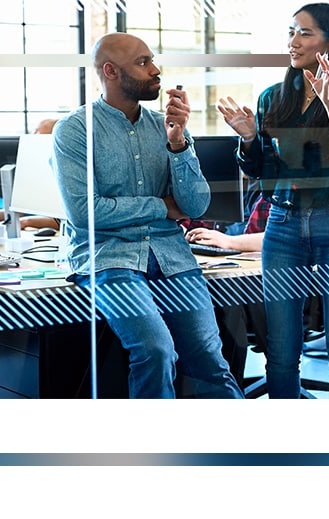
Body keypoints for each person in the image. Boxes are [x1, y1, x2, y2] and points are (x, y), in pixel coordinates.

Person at [51, 32, 243, 399]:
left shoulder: (165, 126)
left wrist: (178, 143)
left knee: (209, 359)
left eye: (152, 60)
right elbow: (84, 213)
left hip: (171, 255)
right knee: (156, 351)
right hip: (109, 257)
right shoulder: (74, 131)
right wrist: (161, 206)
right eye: (143, 63)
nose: (156, 70)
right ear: (110, 71)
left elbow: (196, 205)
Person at [217, 3, 329, 399]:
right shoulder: (274, 97)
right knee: (282, 352)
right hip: (283, 224)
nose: (292, 41)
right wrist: (249, 137)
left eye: (304, 32)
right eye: (291, 32)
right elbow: (259, 171)